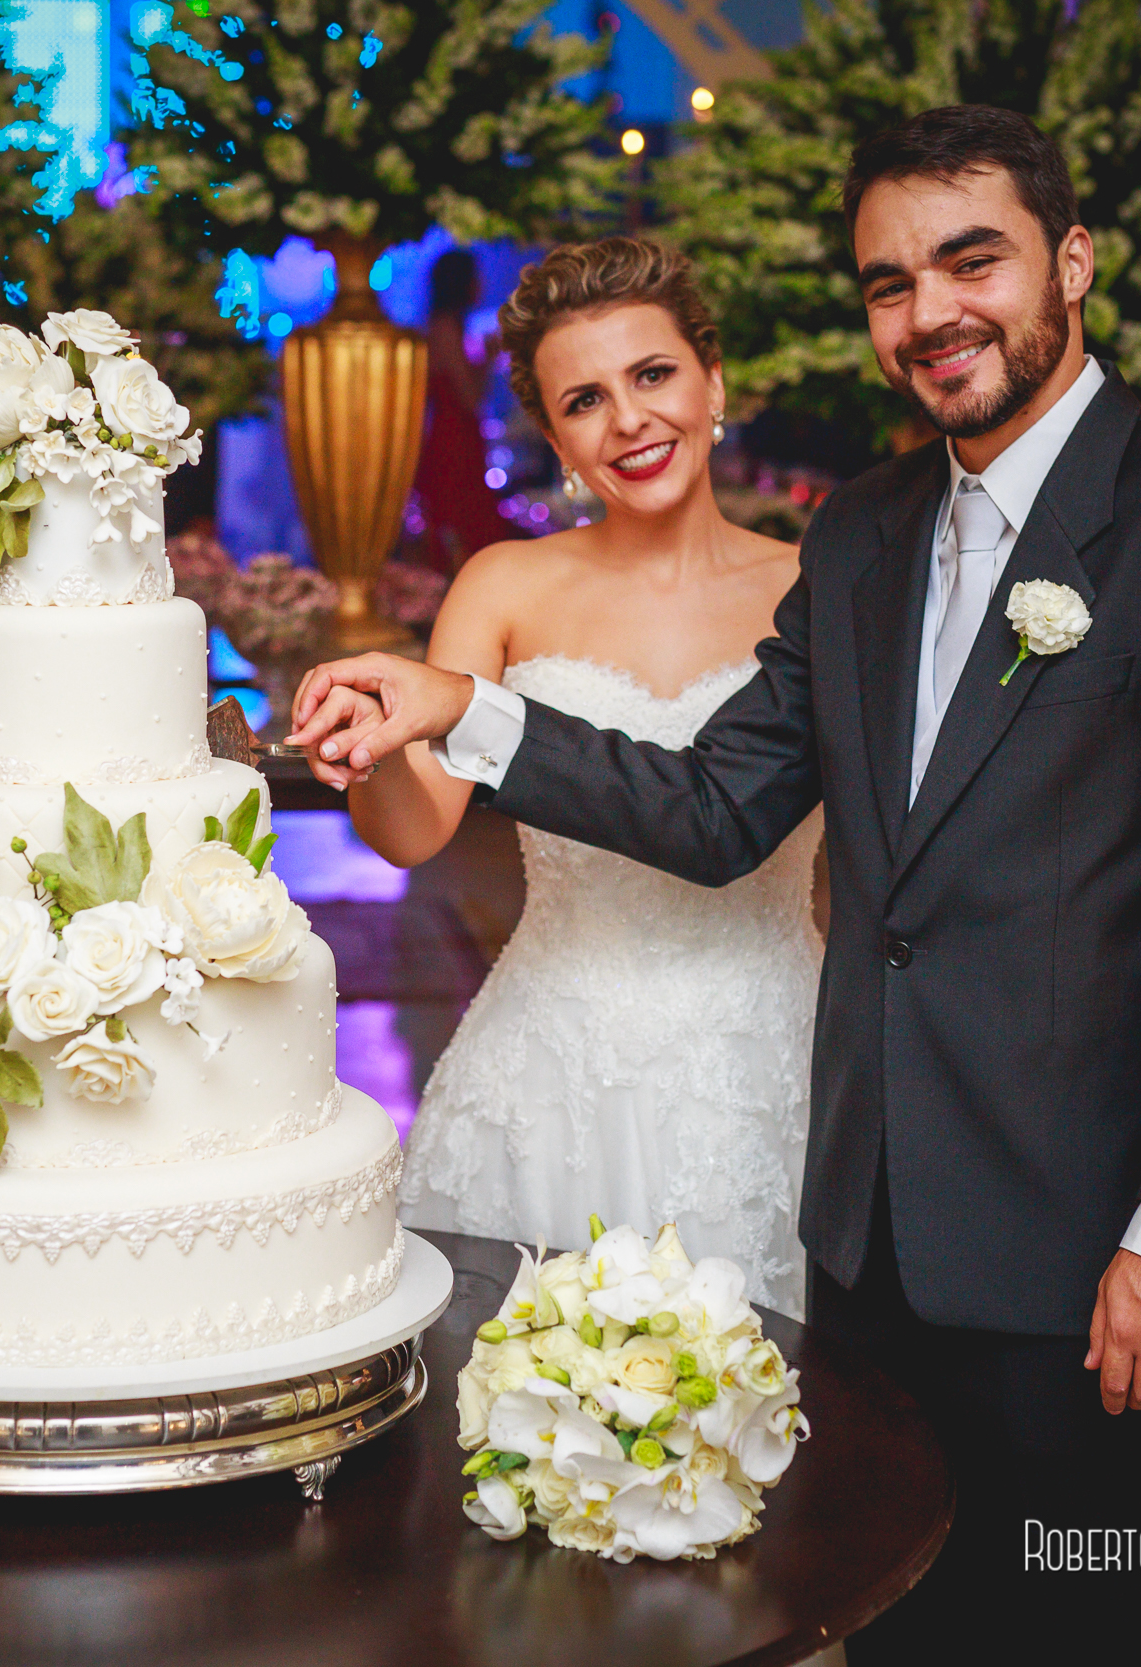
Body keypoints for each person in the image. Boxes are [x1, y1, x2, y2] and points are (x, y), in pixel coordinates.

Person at [291, 105, 1141, 1661]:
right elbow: (719, 803)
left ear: (1070, 260)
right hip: (861, 1244)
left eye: (970, 259)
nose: (931, 312)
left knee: (1097, 1629)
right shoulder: (859, 534)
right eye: (888, 282)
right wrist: (471, 707)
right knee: (889, 1614)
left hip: (1082, 1250)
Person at [343, 238, 818, 1314]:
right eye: (586, 399)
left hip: (769, 1063)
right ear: (556, 436)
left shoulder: (816, 587)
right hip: (549, 1073)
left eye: (653, 375)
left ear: (712, 380)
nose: (630, 420)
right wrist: (369, 758)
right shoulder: (505, 584)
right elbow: (417, 830)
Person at [412, 249, 507, 571]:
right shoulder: (444, 327)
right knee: (462, 523)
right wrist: (489, 357)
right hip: (453, 439)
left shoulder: (447, 325)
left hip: (456, 434)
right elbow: (468, 396)